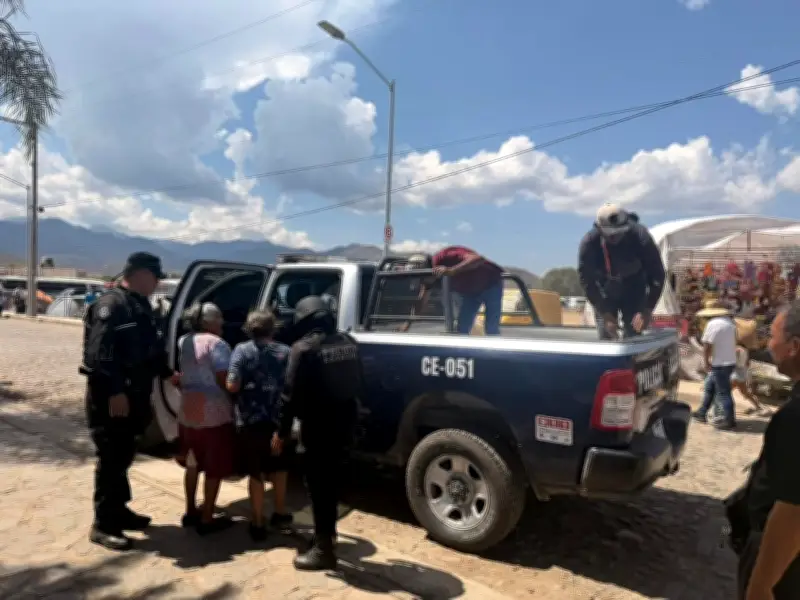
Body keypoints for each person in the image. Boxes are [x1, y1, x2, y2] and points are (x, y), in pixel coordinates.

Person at [80, 251, 177, 551]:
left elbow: (150, 349)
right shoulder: (112, 305)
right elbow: (100, 355)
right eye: (155, 275)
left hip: (135, 396)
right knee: (110, 459)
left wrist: (168, 373)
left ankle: (118, 511)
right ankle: (103, 524)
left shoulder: (139, 306)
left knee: (123, 456)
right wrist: (116, 391)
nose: (158, 282)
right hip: (113, 399)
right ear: (137, 273)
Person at [274, 296, 363, 571]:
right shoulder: (349, 342)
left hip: (317, 428)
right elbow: (360, 382)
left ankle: (323, 550)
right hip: (345, 424)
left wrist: (281, 431)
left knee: (319, 488)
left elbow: (289, 397)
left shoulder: (303, 350)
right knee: (333, 484)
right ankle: (328, 535)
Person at [735, 300, 800, 599]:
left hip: (783, 568)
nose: (769, 345)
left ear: (794, 346)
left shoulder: (795, 418)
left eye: (774, 337)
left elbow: (793, 511)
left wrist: (761, 586)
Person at [226, 310, 294, 542]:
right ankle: (280, 512)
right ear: (273, 328)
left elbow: (232, 385)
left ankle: (257, 521)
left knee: (256, 471)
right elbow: (292, 386)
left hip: (250, 421)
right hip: (278, 422)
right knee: (279, 467)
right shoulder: (286, 352)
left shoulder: (241, 351)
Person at [175, 302, 236, 535]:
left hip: (189, 406)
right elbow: (223, 377)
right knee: (214, 465)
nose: (222, 322)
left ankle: (191, 510)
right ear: (207, 321)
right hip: (214, 411)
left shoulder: (184, 341)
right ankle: (208, 517)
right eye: (218, 317)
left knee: (192, 462)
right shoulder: (217, 344)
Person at [578, 203, 665, 339]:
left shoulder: (641, 237)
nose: (615, 238)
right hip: (605, 288)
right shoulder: (589, 244)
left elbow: (657, 275)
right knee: (607, 333)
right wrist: (604, 313)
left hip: (634, 286)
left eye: (619, 232)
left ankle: (632, 359)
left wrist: (647, 309)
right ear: (599, 229)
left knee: (634, 332)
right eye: (610, 235)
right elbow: (587, 281)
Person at [400, 246, 504, 335]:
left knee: (491, 328)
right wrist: (407, 324)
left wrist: (452, 270)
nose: (423, 282)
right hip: (469, 291)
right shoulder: (428, 279)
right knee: (462, 328)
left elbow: (478, 259)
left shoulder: (444, 255)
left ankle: (495, 356)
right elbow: (421, 302)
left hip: (491, 283)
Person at [691, 300, 738, 430]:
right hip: (729, 362)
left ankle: (729, 420)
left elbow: (707, 345)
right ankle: (702, 412)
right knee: (710, 387)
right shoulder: (731, 323)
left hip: (719, 363)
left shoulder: (712, 324)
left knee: (723, 392)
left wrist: (706, 362)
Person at [732, 344, 767, 416]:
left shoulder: (737, 349)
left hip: (735, 374)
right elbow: (747, 364)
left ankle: (723, 409)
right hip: (742, 374)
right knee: (745, 393)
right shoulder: (745, 351)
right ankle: (759, 407)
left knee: (723, 392)